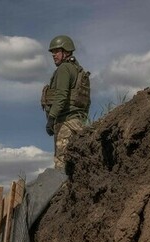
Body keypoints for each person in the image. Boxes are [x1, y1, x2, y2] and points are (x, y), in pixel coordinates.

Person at [42, 34, 90, 169]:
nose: (54, 55)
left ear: (67, 51)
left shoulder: (64, 68)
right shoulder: (78, 70)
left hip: (65, 123)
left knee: (61, 166)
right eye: (52, 52)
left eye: (57, 51)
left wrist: (51, 119)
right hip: (77, 123)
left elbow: (61, 96)